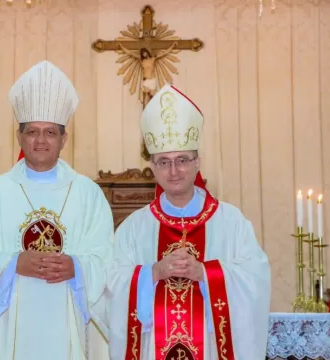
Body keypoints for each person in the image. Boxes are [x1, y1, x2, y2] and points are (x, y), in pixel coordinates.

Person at [0, 60, 114, 359]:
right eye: (32, 132)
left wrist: (77, 268)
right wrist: (12, 264)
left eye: (50, 132)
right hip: (5, 328)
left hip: (68, 324)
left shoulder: (88, 194)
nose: (40, 140)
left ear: (64, 139)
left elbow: (108, 260)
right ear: (19, 137)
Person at [106, 84, 271, 359]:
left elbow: (255, 279)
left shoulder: (231, 222)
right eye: (163, 162)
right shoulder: (134, 228)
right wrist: (153, 273)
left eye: (182, 159)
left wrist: (206, 275)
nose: (174, 170)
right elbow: (111, 284)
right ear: (153, 169)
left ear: (197, 162)